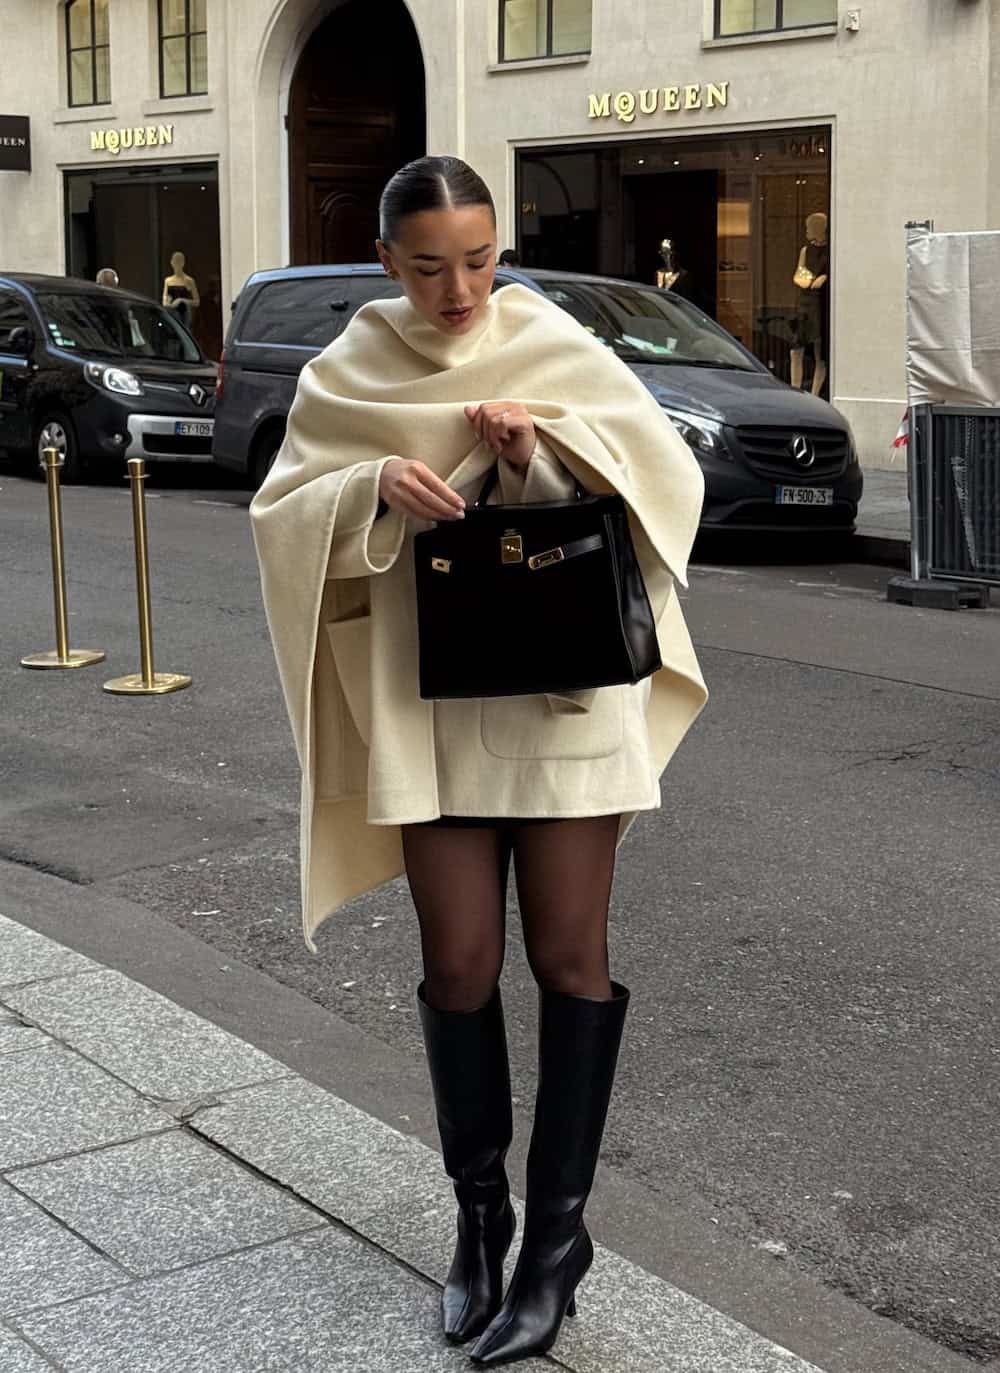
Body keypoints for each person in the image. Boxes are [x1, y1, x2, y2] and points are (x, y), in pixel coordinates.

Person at [250, 156, 706, 1365]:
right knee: (456, 963)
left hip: (561, 704)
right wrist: (370, 489)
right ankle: (479, 1218)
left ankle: (555, 1245)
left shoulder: (551, 339)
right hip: (425, 701)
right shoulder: (345, 369)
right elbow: (281, 514)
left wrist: (529, 459)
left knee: (568, 957)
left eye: (480, 258)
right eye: (431, 264)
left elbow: (664, 482)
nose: (461, 289)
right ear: (389, 263)